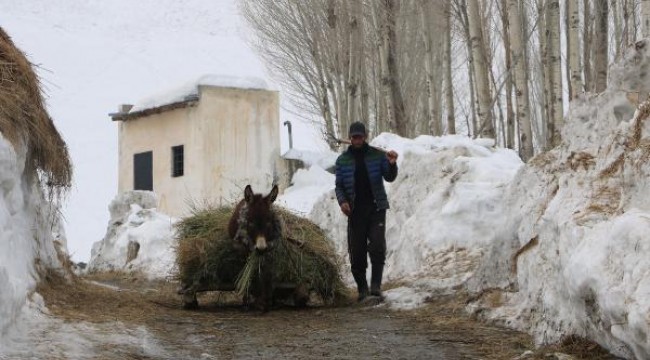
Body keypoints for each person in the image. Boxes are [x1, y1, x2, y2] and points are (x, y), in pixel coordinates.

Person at [335, 121, 398, 301]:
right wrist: (343, 202)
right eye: (354, 137)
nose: (357, 140)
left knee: (377, 246)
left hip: (376, 208)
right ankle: (362, 289)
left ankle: (376, 286)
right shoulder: (342, 160)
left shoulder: (377, 156)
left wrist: (392, 164)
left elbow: (389, 177)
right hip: (355, 212)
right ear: (350, 138)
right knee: (357, 252)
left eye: (360, 136)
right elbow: (339, 186)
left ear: (365, 137)